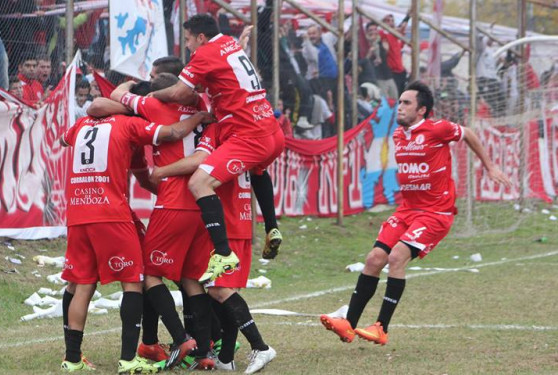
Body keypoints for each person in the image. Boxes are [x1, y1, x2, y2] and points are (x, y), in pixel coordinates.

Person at [320, 81, 511, 345]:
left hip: (436, 212)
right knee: (375, 258)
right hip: (408, 210)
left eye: (406, 103)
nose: (399, 107)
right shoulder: (400, 134)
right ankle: (349, 324)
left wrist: (489, 167)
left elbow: (468, 133)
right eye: (399, 102)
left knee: (397, 256)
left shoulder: (438, 129)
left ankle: (381, 327)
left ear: (421, 110)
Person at [59, 107, 214, 373]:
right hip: (110, 214)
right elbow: (175, 131)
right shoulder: (129, 124)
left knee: (82, 284)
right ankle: (129, 360)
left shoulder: (82, 123)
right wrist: (201, 117)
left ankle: (72, 359)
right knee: (133, 282)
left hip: (77, 212)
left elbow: (64, 139)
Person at [150, 14, 285, 283]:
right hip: (272, 131)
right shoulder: (229, 44)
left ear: (200, 37)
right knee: (257, 169)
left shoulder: (204, 53)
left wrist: (152, 95)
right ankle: (271, 226)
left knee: (199, 183)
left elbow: (179, 93)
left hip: (248, 135)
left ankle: (223, 253)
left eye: (187, 40)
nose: (187, 46)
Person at [150, 122, 277, 374]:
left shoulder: (220, 132)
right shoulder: (252, 136)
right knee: (192, 279)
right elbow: (262, 177)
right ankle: (224, 356)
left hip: (226, 223)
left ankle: (260, 346)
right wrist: (270, 225)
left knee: (220, 291)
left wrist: (160, 171)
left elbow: (198, 160)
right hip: (234, 221)